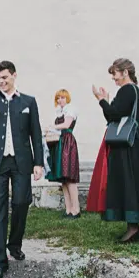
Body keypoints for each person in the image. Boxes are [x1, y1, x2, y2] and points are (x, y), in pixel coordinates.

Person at [0, 61, 44, 278]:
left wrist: (39, 163)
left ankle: (14, 244)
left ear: (14, 76)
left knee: (22, 203)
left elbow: (36, 134)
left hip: (22, 162)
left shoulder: (28, 102)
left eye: (5, 77)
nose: (2, 81)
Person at [92, 58, 139, 243]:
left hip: (126, 147)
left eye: (115, 74)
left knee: (129, 184)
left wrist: (101, 100)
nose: (114, 78)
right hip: (130, 144)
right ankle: (134, 227)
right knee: (134, 184)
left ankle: (134, 228)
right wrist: (107, 102)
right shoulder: (133, 90)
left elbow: (113, 114)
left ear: (125, 72)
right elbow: (115, 114)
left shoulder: (128, 89)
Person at [45, 89, 81, 218]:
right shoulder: (59, 112)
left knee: (69, 178)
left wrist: (51, 127)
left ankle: (76, 209)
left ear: (67, 98)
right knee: (63, 179)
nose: (60, 100)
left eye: (63, 97)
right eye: (58, 98)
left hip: (68, 143)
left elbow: (66, 124)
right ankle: (68, 209)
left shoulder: (70, 110)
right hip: (59, 143)